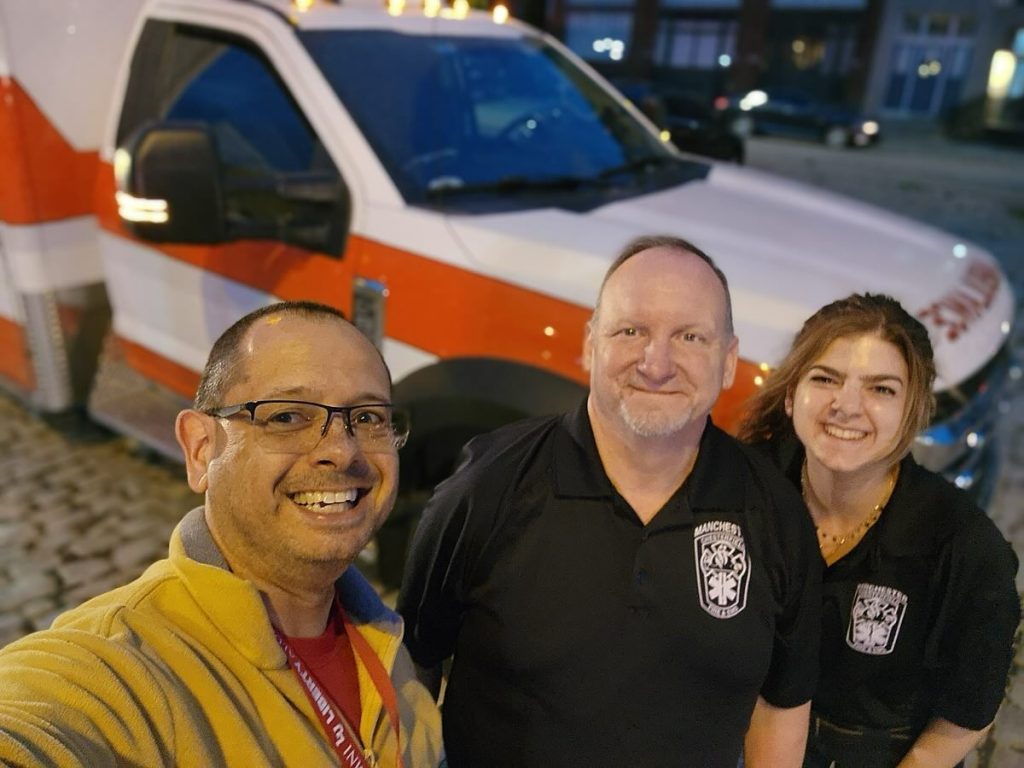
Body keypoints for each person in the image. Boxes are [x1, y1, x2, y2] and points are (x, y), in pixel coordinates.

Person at [398, 235, 823, 767]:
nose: (657, 363)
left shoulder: (776, 514)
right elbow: (413, 667)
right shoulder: (487, 487)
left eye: (690, 337)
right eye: (632, 331)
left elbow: (781, 703)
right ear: (591, 343)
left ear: (729, 360)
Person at [0, 301, 443, 767]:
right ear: (200, 449)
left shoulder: (385, 636)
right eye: (287, 417)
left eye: (368, 418)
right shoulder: (123, 665)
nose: (341, 450)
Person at [738, 293, 1020, 768]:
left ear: (915, 410)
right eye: (825, 379)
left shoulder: (967, 550)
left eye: (881, 389)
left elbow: (965, 717)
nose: (846, 406)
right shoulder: (744, 487)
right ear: (791, 395)